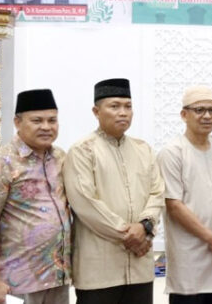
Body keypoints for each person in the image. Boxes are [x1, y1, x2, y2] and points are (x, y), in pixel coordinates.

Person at [63, 78, 164, 304]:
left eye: (128, 107)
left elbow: (157, 193)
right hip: (99, 270)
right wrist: (131, 235)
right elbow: (85, 203)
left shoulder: (143, 149)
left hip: (139, 268)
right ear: (96, 111)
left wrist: (145, 226)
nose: (123, 113)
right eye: (115, 106)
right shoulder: (82, 150)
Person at [0, 89, 71, 304]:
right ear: (17, 122)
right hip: (17, 281)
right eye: (37, 120)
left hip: (57, 276)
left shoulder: (60, 158)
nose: (46, 127)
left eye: (52, 120)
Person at [157, 85, 212, 304]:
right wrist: (210, 237)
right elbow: (173, 204)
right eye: (200, 110)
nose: (207, 116)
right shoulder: (173, 152)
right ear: (184, 114)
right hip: (189, 257)